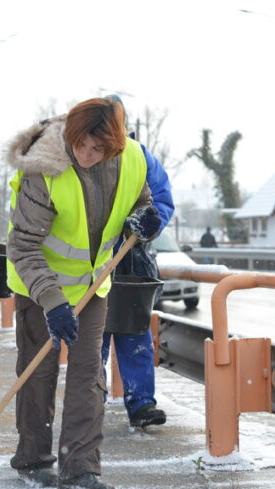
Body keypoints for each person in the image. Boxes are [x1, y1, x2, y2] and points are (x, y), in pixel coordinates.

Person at [5, 97, 160, 489]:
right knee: (38, 375)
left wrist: (144, 223)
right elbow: (23, 245)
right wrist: (53, 302)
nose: (87, 156)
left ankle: (80, 470)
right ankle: (34, 460)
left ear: (115, 145)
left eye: (98, 150)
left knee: (89, 375)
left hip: (94, 285)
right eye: (81, 147)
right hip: (39, 285)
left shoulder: (132, 160)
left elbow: (141, 205)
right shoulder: (46, 167)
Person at [100, 95, 175, 429]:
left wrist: (145, 222)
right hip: (92, 262)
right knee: (92, 336)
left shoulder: (140, 157)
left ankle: (141, 404)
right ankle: (90, 400)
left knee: (135, 334)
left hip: (133, 260)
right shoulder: (85, 154)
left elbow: (161, 200)